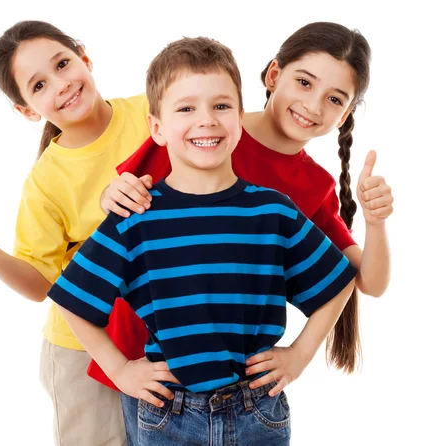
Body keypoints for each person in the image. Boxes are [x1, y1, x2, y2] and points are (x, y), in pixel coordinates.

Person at [48, 36, 357, 445]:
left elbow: (339, 281)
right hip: (167, 416)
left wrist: (299, 355)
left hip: (258, 412)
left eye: (222, 106)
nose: (207, 119)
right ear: (157, 128)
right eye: (186, 108)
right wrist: (120, 370)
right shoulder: (137, 217)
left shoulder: (273, 211)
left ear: (239, 116)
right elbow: (74, 299)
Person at [102, 21, 393, 373]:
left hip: (221, 375)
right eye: (304, 82)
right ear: (274, 75)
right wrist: (111, 193)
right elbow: (121, 204)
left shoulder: (314, 184)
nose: (313, 106)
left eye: (334, 99)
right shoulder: (204, 131)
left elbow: (365, 281)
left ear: (344, 114)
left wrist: (375, 222)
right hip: (136, 352)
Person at [0, 20, 155, 446]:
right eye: (38, 86)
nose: (61, 85)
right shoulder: (45, 182)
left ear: (85, 58)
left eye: (63, 64)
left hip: (159, 328)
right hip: (83, 345)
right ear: (26, 110)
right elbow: (42, 284)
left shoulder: (153, 109)